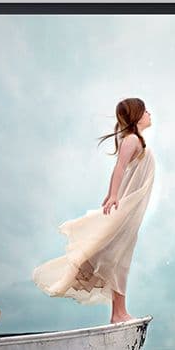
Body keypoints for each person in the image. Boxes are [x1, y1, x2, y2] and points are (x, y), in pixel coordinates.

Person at [32, 97, 155, 325]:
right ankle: (119, 313)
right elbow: (118, 168)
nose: (150, 113)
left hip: (132, 212)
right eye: (145, 110)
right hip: (126, 209)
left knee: (120, 256)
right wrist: (114, 195)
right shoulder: (131, 140)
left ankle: (118, 312)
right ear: (137, 116)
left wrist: (112, 194)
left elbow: (124, 171)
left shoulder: (136, 141)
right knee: (117, 255)